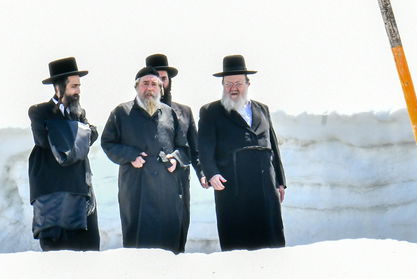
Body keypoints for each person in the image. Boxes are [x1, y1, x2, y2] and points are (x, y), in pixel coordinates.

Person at [197, 54, 286, 251]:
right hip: (233, 188)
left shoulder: (262, 109)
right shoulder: (211, 111)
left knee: (270, 242)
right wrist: (211, 173)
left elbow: (273, 146)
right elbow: (204, 148)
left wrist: (280, 181)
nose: (233, 88)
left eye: (238, 82)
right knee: (238, 245)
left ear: (248, 83)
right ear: (222, 85)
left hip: (265, 187)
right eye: (228, 83)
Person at [101, 68, 190, 251]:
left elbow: (184, 148)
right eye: (145, 83)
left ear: (161, 89)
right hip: (136, 190)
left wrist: (176, 160)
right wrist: (129, 155)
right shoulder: (121, 112)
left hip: (167, 190)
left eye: (154, 84)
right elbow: (107, 143)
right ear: (136, 87)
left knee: (168, 247)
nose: (150, 88)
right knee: (138, 246)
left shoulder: (169, 113)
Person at [27, 56, 100, 251]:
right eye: (74, 86)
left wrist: (75, 129)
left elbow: (93, 133)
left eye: (79, 86)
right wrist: (80, 130)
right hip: (53, 199)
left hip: (80, 192)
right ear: (59, 88)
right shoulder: (40, 111)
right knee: (57, 255)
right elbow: (44, 141)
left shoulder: (79, 113)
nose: (78, 91)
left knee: (88, 253)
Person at [147, 52, 207, 252]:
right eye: (155, 80)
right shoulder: (135, 113)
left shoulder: (184, 112)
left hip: (179, 185)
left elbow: (195, 149)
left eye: (163, 79)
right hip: (149, 187)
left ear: (169, 81)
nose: (160, 84)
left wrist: (203, 174)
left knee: (177, 241)